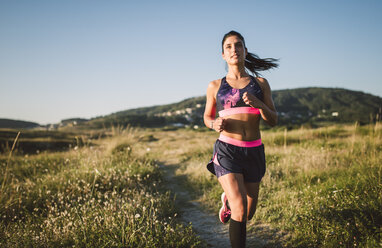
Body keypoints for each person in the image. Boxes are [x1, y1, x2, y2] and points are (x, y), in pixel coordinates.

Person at [203, 30, 278, 248]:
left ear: (245, 51)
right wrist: (213, 124)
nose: (234, 49)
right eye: (229, 46)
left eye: (238, 45)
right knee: (240, 207)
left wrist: (259, 104)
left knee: (248, 213)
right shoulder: (215, 86)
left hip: (254, 151)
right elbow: (207, 116)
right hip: (227, 150)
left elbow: (273, 119)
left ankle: (226, 200)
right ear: (223, 55)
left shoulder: (261, 83)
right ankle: (232, 201)